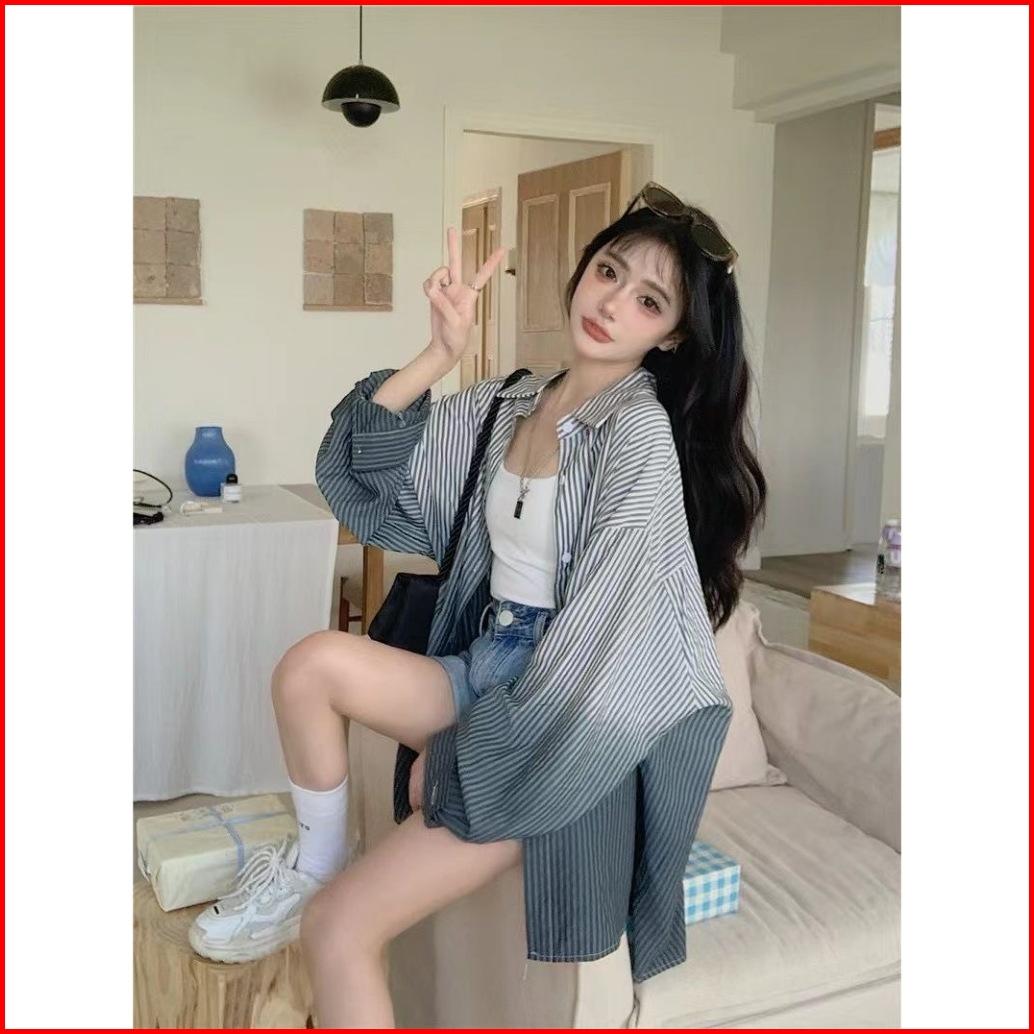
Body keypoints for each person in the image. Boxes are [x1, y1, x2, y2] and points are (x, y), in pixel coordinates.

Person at [189, 182, 767, 1028]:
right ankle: (314, 863)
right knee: (309, 666)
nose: (611, 303)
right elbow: (370, 480)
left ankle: (324, 895)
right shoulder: (510, 402)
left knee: (340, 929)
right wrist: (438, 354)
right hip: (486, 661)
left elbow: (605, 653)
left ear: (673, 334)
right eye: (609, 271)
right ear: (583, 267)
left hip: (558, 731)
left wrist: (468, 756)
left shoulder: (636, 435)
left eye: (649, 301)